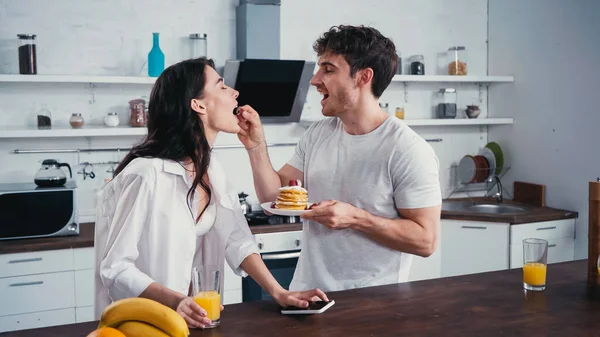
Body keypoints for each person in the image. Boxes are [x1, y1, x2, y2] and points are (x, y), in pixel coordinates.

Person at [94, 58, 327, 328]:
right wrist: (177, 300)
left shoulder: (211, 169)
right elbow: (116, 267)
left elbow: (237, 239)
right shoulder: (147, 174)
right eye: (222, 86)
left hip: (195, 323)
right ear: (198, 104)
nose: (235, 93)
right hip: (145, 324)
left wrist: (279, 292)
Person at [236, 25, 442, 292]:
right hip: (308, 295)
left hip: (372, 303)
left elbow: (425, 241)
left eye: (328, 70)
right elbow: (272, 199)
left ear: (363, 77)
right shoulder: (318, 133)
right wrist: (255, 146)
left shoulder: (406, 149)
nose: (314, 80)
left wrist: (355, 218)